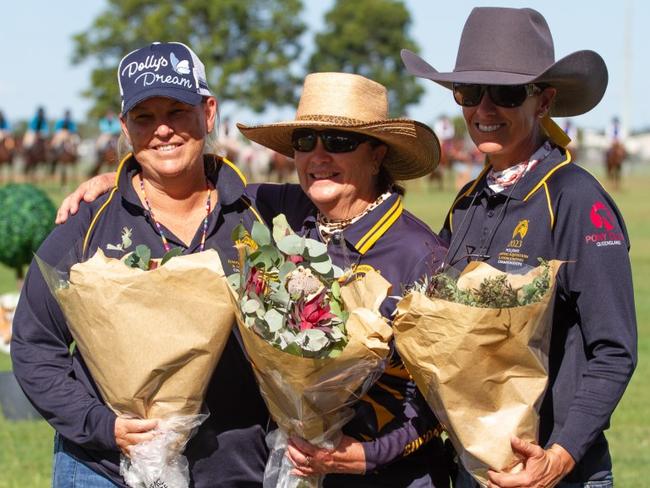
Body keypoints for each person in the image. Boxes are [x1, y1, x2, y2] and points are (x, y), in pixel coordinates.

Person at [56, 72, 452, 487]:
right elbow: (190, 182)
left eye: (339, 142)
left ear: (377, 156)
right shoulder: (281, 212)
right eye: (305, 142)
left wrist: (366, 455)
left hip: (392, 477)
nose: (318, 156)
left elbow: (444, 398)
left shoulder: (420, 254)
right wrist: (124, 183)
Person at [12, 41, 269, 488]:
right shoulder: (86, 225)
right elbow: (35, 344)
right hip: (104, 469)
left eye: (177, 112)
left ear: (208, 113)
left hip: (235, 470)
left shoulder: (261, 215)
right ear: (125, 128)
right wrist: (100, 425)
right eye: (144, 118)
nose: (162, 130)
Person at [401, 6, 637, 488]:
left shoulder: (574, 197)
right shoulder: (466, 201)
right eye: (469, 92)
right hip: (475, 471)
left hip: (560, 475)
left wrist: (559, 457)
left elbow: (614, 350)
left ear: (543, 101)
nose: (484, 110)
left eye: (506, 94)